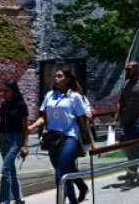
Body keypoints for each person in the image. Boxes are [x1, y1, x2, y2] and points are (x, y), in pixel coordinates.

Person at [29, 68, 94, 204]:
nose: (56, 79)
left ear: (68, 79)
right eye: (55, 76)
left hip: (70, 137)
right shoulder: (49, 95)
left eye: (59, 76)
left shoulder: (75, 97)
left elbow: (83, 121)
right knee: (65, 174)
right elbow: (44, 118)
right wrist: (34, 127)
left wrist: (92, 142)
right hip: (53, 139)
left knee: (61, 171)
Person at [112, 61, 139, 185]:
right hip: (127, 121)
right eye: (126, 69)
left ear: (137, 69)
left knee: (134, 147)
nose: (127, 71)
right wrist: (115, 119)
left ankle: (131, 175)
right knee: (133, 148)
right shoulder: (126, 84)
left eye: (129, 69)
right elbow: (121, 103)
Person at [0, 80, 29, 204]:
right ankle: (19, 198)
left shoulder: (21, 105)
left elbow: (25, 128)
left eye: (6, 91)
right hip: (4, 138)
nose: (4, 93)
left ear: (13, 91)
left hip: (15, 139)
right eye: (3, 90)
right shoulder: (4, 105)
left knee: (6, 168)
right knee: (11, 168)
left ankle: (4, 201)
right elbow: (1, 124)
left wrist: (25, 145)